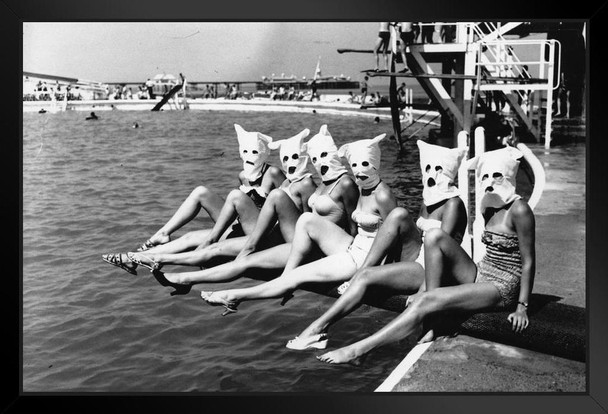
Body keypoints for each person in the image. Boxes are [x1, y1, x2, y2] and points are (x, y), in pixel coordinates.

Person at [317, 146, 535, 364]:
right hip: (481, 270)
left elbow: (528, 262)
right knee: (433, 236)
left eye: (497, 175)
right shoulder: (489, 203)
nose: (490, 181)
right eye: (485, 175)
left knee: (425, 299)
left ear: (508, 174)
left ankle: (359, 349)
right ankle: (430, 318)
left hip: (503, 286)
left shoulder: (520, 210)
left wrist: (522, 307)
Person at [285, 140, 468, 351]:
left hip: (436, 269)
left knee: (365, 277)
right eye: (427, 168)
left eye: (439, 169)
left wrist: (423, 291)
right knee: (399, 215)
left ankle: (318, 328)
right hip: (420, 258)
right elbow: (419, 235)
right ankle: (362, 272)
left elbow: (442, 250)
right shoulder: (428, 199)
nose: (432, 174)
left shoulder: (453, 204)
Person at [200, 133, 398, 315]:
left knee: (264, 264)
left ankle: (231, 293)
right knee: (277, 267)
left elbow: (390, 232)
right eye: (315, 159)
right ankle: (220, 288)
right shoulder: (341, 185)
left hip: (347, 252)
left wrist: (380, 271)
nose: (358, 170)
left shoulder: (365, 189)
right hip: (324, 243)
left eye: (364, 163)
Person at [152, 125, 359, 294]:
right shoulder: (319, 183)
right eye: (315, 158)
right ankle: (171, 268)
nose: (319, 162)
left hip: (312, 246)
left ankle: (176, 271)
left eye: (323, 156)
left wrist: (347, 261)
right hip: (296, 239)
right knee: (220, 250)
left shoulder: (338, 184)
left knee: (241, 259)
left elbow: (351, 227)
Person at [101, 124, 286, 274]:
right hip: (241, 224)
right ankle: (140, 252)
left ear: (263, 153)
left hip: (262, 231)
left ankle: (209, 240)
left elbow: (287, 204)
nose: (249, 157)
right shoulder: (243, 176)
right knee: (200, 196)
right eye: (245, 152)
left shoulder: (274, 173)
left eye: (254, 152)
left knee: (235, 196)